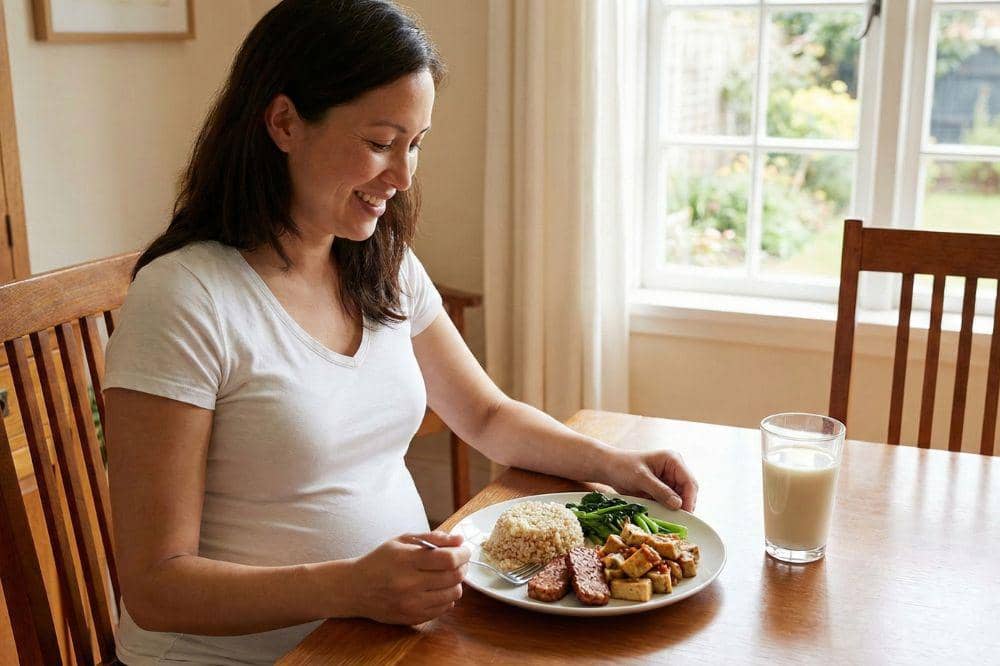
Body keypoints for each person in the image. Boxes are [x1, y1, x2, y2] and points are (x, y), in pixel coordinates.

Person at [104, 1, 698, 664]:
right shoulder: (185, 299)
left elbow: (487, 414)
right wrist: (349, 587)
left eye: (414, 144)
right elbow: (156, 587)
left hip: (382, 640)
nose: (404, 176)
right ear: (284, 123)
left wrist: (617, 467)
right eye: (381, 142)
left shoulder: (380, 264)